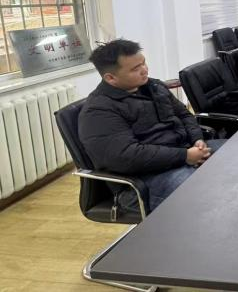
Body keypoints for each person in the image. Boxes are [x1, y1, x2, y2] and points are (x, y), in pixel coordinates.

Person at [78, 39, 225, 213]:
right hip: (143, 179)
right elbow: (127, 156)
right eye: (135, 69)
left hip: (183, 152)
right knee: (204, 194)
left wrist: (197, 139)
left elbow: (184, 115)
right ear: (110, 78)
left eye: (143, 63)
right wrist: (184, 156)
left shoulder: (154, 86)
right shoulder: (99, 111)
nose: (144, 70)